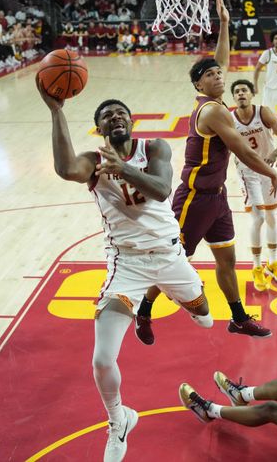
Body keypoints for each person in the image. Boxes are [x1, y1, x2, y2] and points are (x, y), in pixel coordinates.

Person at [37, 80, 213, 462]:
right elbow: (66, 168)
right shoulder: (93, 161)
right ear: (99, 129)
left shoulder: (154, 147)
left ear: (131, 122)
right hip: (126, 263)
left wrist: (124, 170)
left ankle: (176, 295)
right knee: (101, 359)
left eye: (120, 113)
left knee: (206, 319)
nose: (115, 117)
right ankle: (119, 420)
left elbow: (163, 189)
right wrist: (56, 111)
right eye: (106, 116)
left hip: (170, 256)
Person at [135, 0, 277, 342]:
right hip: (194, 199)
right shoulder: (212, 110)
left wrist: (226, 23)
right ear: (199, 84)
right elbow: (242, 150)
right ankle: (143, 311)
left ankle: (239, 317)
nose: (220, 76)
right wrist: (272, 171)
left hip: (217, 198)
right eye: (212, 75)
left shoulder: (214, 99)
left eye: (220, 74)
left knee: (227, 260)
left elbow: (221, 62)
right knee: (172, 259)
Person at [230, 79, 277, 291]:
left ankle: (273, 263)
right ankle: (256, 266)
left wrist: (274, 155)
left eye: (244, 90)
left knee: (273, 216)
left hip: (267, 170)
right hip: (247, 173)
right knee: (258, 217)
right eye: (237, 91)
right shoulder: (229, 119)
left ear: (251, 94)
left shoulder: (263, 112)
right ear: (233, 97)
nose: (240, 94)